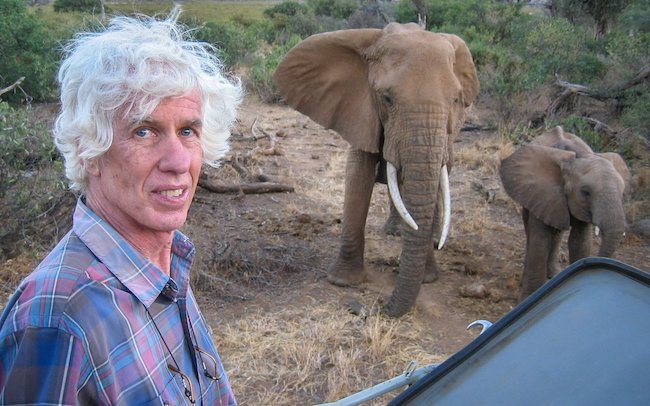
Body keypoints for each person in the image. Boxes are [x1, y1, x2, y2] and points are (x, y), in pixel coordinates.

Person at [0, 10, 241, 405]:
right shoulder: (58, 320)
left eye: (187, 130)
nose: (178, 161)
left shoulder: (163, 263)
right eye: (143, 131)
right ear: (88, 151)